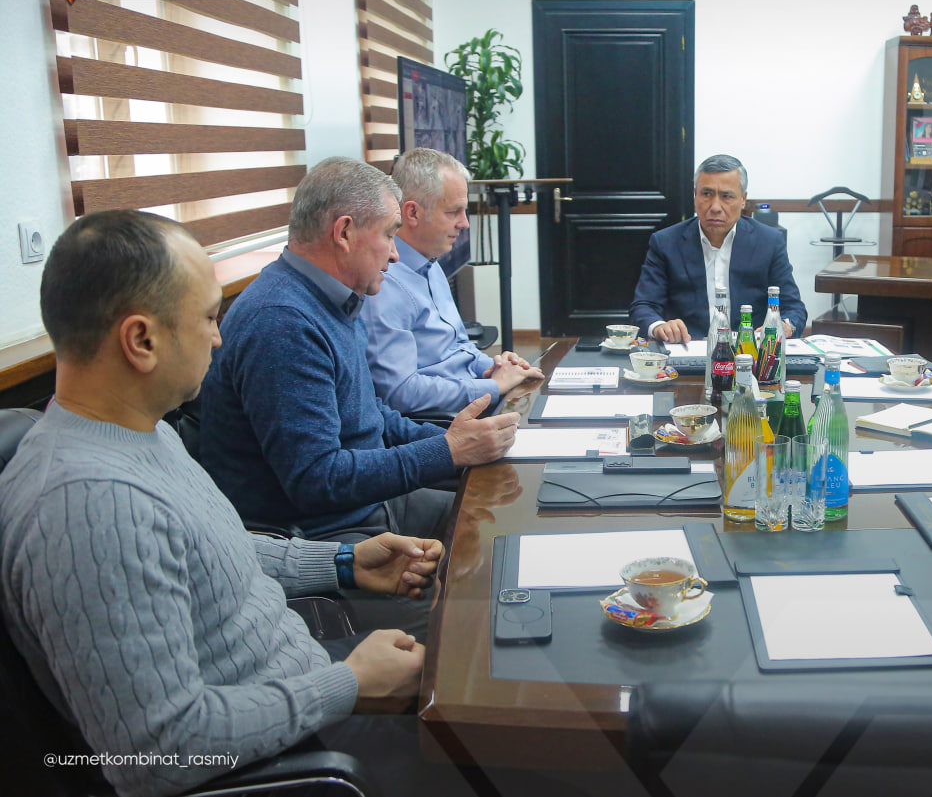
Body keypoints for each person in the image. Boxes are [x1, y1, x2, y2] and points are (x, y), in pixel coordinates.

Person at [0, 210, 440, 797]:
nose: (219, 337)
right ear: (141, 340)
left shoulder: (142, 431)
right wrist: (348, 686)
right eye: (209, 317)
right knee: (517, 744)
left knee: (474, 647)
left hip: (301, 677)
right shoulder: (90, 504)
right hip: (301, 754)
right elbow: (158, 753)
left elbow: (211, 551)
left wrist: (343, 563)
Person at [199, 157, 519, 543]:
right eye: (389, 235)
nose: (396, 254)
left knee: (503, 517)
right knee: (491, 547)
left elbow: (371, 416)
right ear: (345, 233)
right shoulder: (283, 322)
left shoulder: (331, 299)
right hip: (328, 530)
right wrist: (447, 451)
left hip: (367, 502)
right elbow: (318, 480)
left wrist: (453, 440)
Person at [364, 148, 543, 415]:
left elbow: (459, 349)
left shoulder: (431, 265)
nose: (464, 223)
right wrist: (493, 386)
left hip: (471, 401)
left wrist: (495, 368)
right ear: (412, 213)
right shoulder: (382, 282)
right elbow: (400, 393)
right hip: (441, 424)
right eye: (453, 212)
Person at [629, 154, 807, 343]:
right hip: (689, 347)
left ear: (743, 199)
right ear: (695, 195)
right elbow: (643, 306)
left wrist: (785, 325)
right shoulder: (666, 242)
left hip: (749, 351)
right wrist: (659, 326)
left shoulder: (769, 242)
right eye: (706, 194)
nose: (715, 207)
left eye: (726, 196)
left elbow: (793, 308)